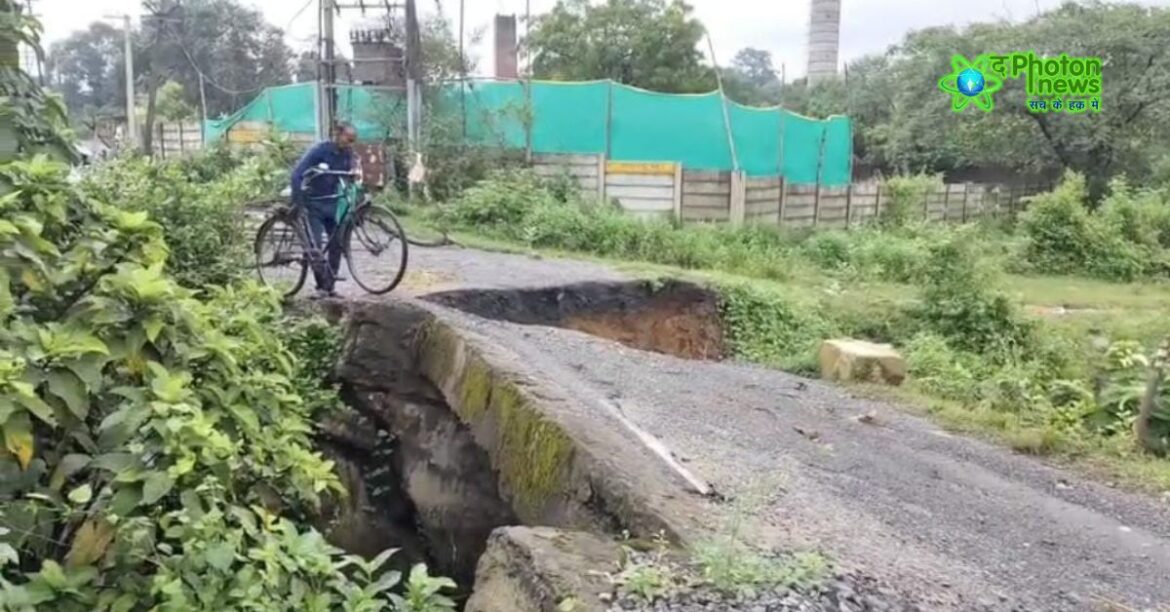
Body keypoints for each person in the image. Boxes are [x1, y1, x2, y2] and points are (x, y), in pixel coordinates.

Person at [290, 122, 358, 298]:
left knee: (337, 243)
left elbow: (348, 176)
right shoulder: (319, 151)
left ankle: (330, 285)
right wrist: (298, 200)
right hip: (314, 204)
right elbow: (297, 174)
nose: (350, 143)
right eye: (348, 139)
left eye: (353, 140)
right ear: (337, 135)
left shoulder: (347, 153)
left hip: (332, 202)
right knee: (316, 247)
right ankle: (321, 286)